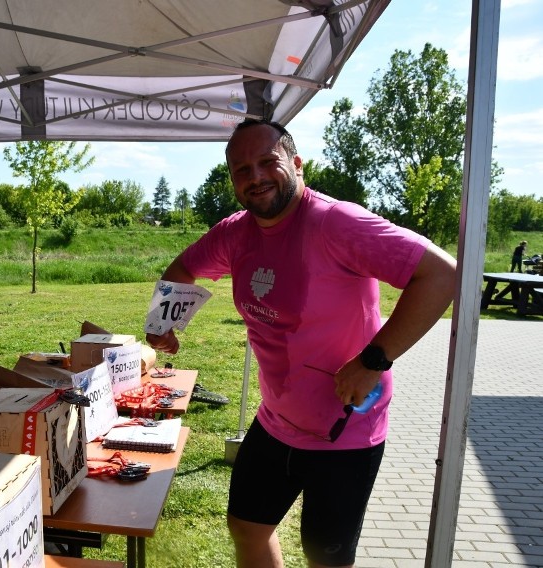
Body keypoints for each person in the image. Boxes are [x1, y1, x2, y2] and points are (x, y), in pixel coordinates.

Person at [146, 118, 456, 568]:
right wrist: (164, 321)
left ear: (295, 162)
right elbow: (181, 269)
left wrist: (374, 360)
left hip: (346, 431)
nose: (255, 177)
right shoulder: (235, 233)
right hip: (276, 422)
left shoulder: (338, 223)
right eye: (241, 169)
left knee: (324, 558)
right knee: (248, 528)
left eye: (267, 162)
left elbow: (442, 275)